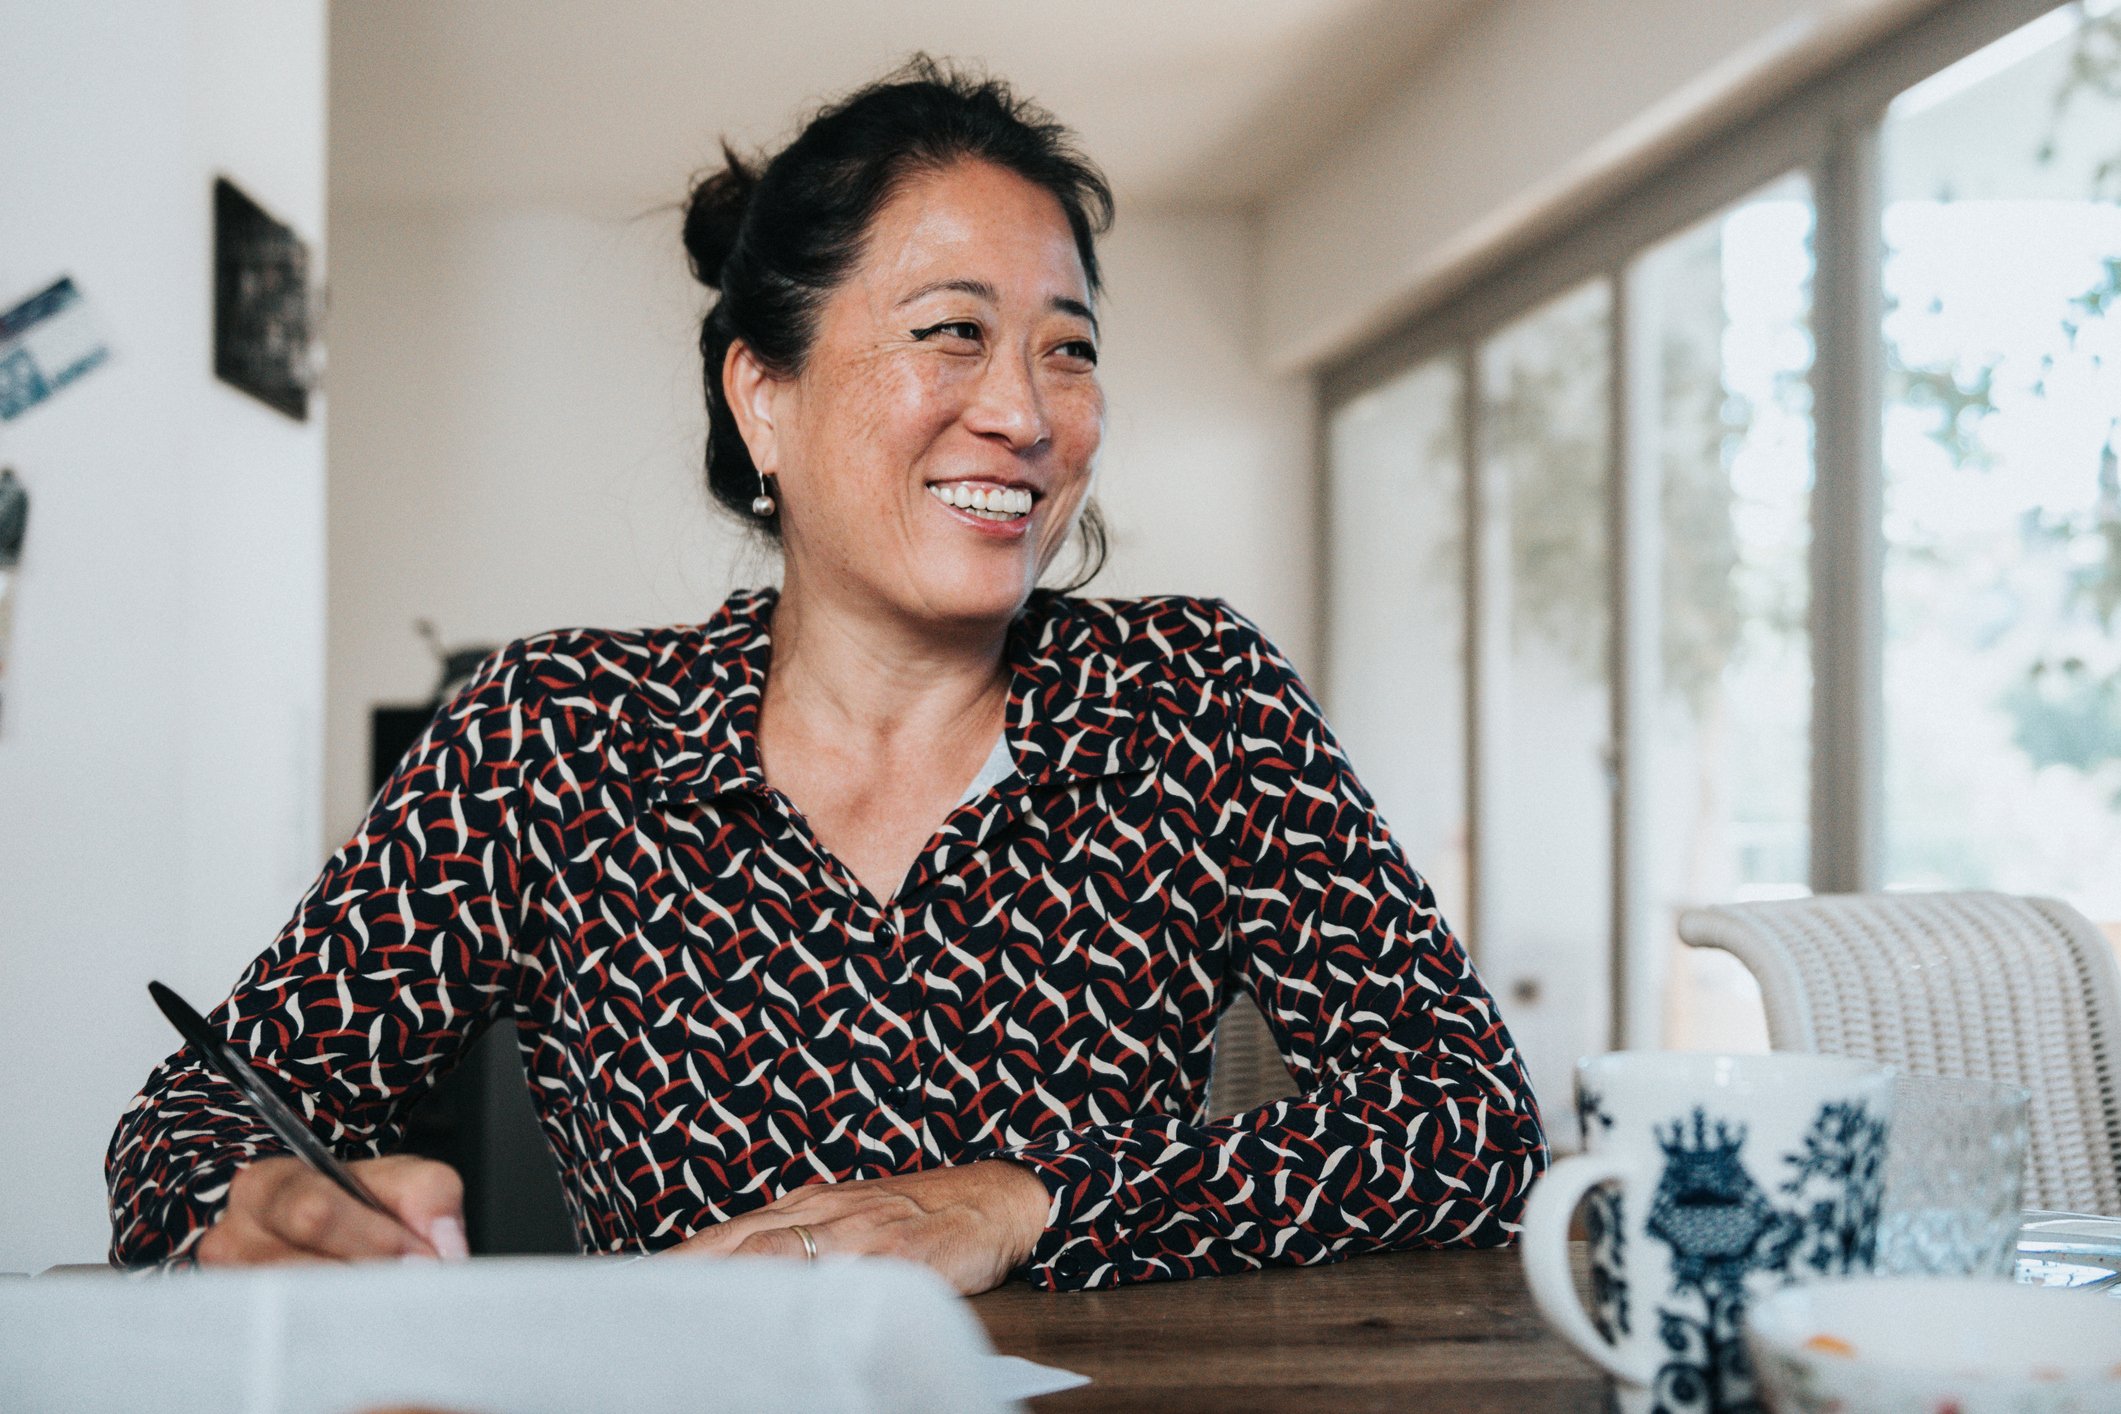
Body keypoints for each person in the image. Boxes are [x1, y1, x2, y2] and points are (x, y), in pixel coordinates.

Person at [106, 57, 1546, 1293]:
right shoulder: (552, 734)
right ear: (764, 393)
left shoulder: (1189, 700)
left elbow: (1468, 1121)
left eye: (1069, 350)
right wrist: (250, 1212)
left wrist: (1026, 1200)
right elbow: (183, 1124)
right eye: (950, 334)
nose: (1023, 413)